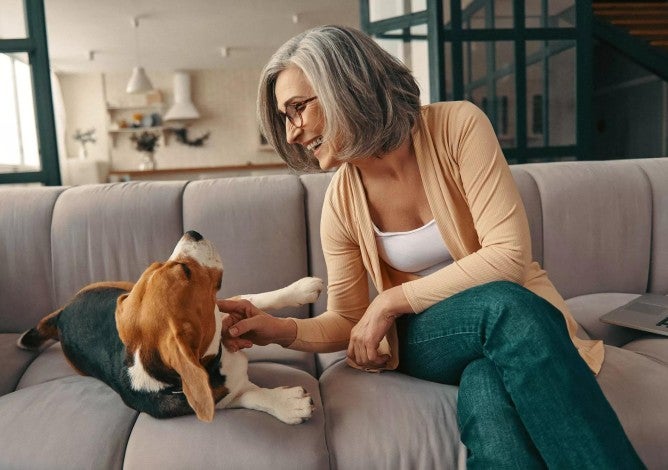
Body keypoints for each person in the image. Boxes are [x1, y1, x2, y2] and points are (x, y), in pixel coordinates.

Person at [219, 25, 644, 468]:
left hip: (508, 319)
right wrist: (282, 330)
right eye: (285, 118)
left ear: (342, 83)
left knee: (488, 390)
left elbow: (508, 255)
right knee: (507, 308)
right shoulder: (341, 205)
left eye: (297, 109)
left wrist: (390, 301)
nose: (292, 133)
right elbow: (347, 319)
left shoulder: (457, 126)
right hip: (426, 337)